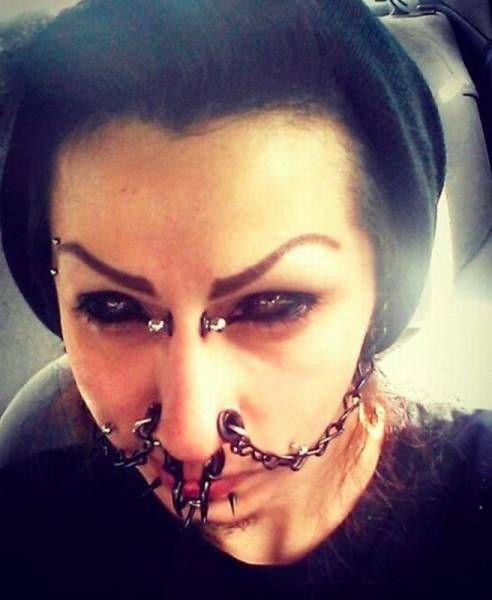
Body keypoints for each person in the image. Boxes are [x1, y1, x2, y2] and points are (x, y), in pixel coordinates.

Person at [0, 0, 490, 597]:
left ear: (384, 289)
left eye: (274, 305)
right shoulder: (26, 536)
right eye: (112, 308)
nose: (189, 438)